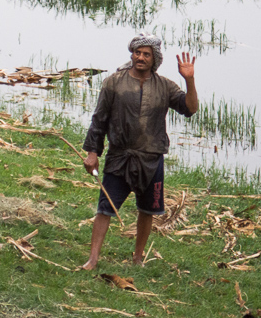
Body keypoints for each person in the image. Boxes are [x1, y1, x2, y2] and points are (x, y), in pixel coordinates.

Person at [81, 34, 198, 269]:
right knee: (105, 208)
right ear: (131, 54)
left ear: (154, 59)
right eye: (137, 53)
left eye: (146, 54)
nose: (140, 58)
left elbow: (190, 109)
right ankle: (93, 259)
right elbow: (99, 119)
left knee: (147, 210)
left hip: (151, 159)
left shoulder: (164, 86)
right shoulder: (114, 82)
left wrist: (190, 80)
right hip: (119, 156)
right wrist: (92, 152)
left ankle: (137, 258)